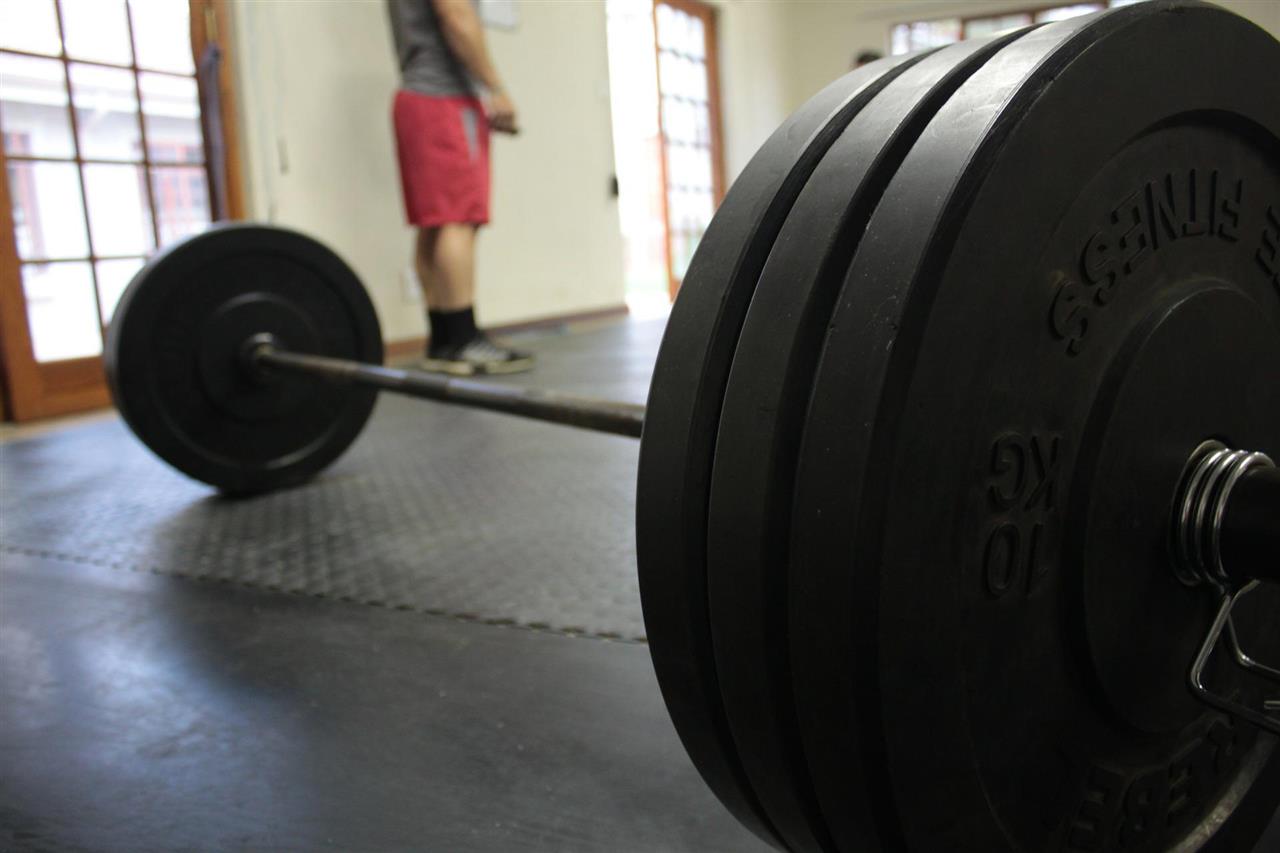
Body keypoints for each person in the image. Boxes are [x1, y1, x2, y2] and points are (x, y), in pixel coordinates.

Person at [387, 0, 534, 375]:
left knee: (434, 223)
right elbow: (456, 15)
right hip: (445, 100)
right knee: (458, 219)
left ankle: (444, 340)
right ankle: (464, 339)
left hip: (415, 97)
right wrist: (495, 87)